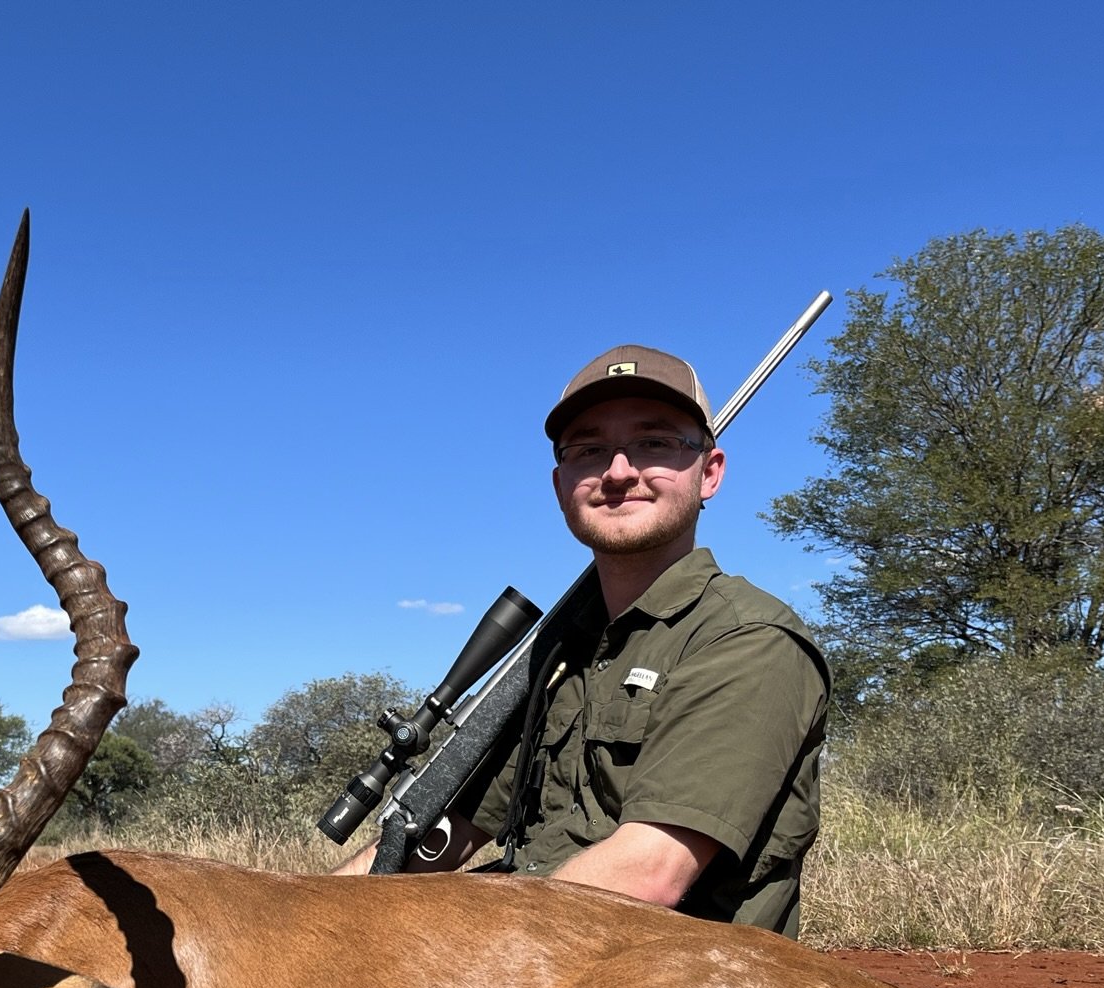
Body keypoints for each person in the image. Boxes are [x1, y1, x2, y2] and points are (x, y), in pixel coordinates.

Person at [336, 344, 827, 938]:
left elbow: (649, 874)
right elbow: (439, 834)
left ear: (711, 472)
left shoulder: (747, 639)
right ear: (560, 481)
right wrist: (306, 919)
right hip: (539, 962)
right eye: (590, 451)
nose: (619, 472)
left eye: (655, 443)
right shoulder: (556, 655)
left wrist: (432, 945)